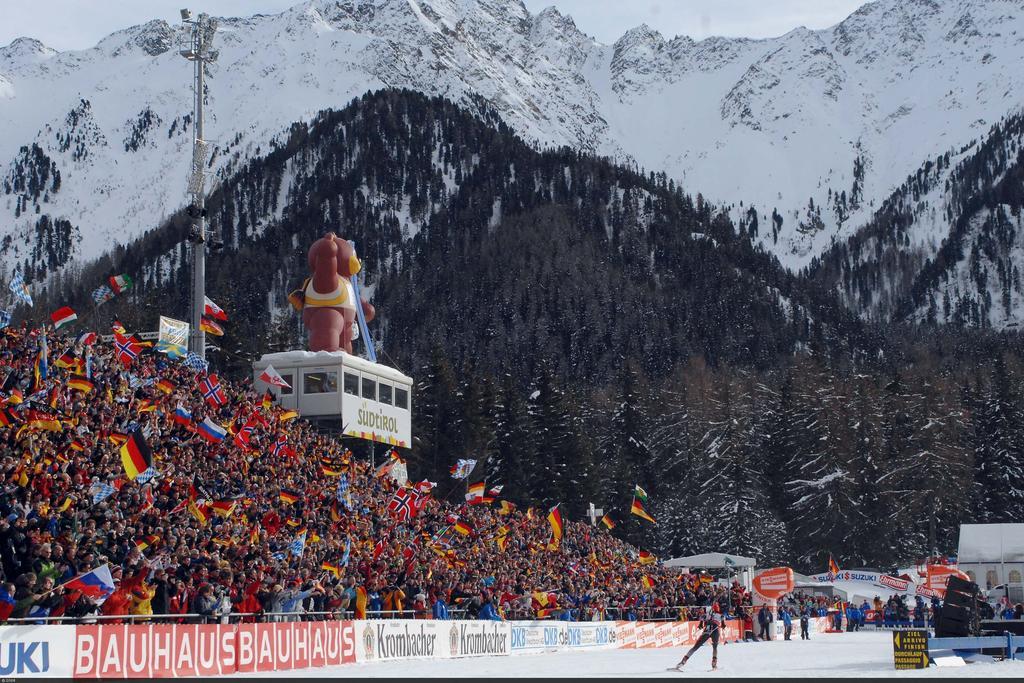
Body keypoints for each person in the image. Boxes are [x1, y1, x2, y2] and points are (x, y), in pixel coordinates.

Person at [672, 601, 723, 671]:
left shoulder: (708, 613)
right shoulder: (720, 615)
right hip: (715, 630)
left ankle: (682, 662)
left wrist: (701, 624)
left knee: (695, 647)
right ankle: (714, 665)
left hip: (707, 630)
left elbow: (702, 617)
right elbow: (723, 623)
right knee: (715, 647)